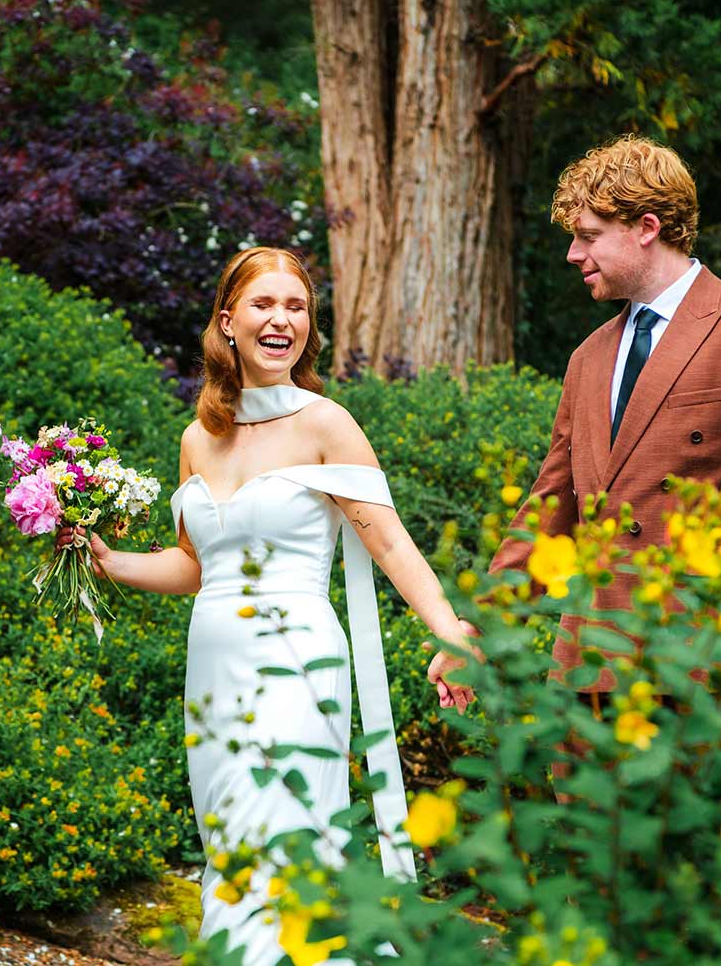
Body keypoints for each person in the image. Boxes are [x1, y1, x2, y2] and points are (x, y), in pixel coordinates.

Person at [64, 246, 476, 966]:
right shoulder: (198, 437)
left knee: (283, 840)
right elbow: (195, 565)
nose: (281, 319)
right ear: (228, 322)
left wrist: (452, 633)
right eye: (263, 304)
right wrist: (110, 559)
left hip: (296, 662)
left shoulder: (326, 424)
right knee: (229, 849)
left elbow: (393, 546)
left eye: (296, 307)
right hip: (214, 673)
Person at [428, 134, 721, 711]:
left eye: (588, 236)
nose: (574, 254)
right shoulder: (587, 359)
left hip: (717, 671)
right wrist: (478, 631)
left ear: (646, 227)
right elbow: (552, 508)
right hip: (592, 672)